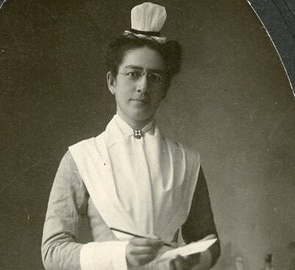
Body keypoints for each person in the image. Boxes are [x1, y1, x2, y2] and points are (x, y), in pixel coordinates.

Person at [41, 2, 220, 270]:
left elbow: (210, 242)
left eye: (155, 78)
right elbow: (53, 251)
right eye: (133, 74)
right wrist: (119, 255)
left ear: (165, 90)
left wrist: (191, 261)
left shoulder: (186, 161)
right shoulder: (82, 158)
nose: (143, 87)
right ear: (112, 81)